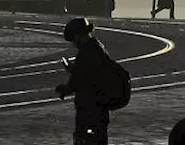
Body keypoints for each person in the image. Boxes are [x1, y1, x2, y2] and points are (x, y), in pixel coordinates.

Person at [55, 17, 131, 145]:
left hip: (89, 109)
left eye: (73, 39)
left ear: (78, 36)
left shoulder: (86, 52)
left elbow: (78, 79)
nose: (74, 43)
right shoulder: (97, 48)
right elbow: (89, 73)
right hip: (100, 109)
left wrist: (64, 89)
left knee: (85, 139)